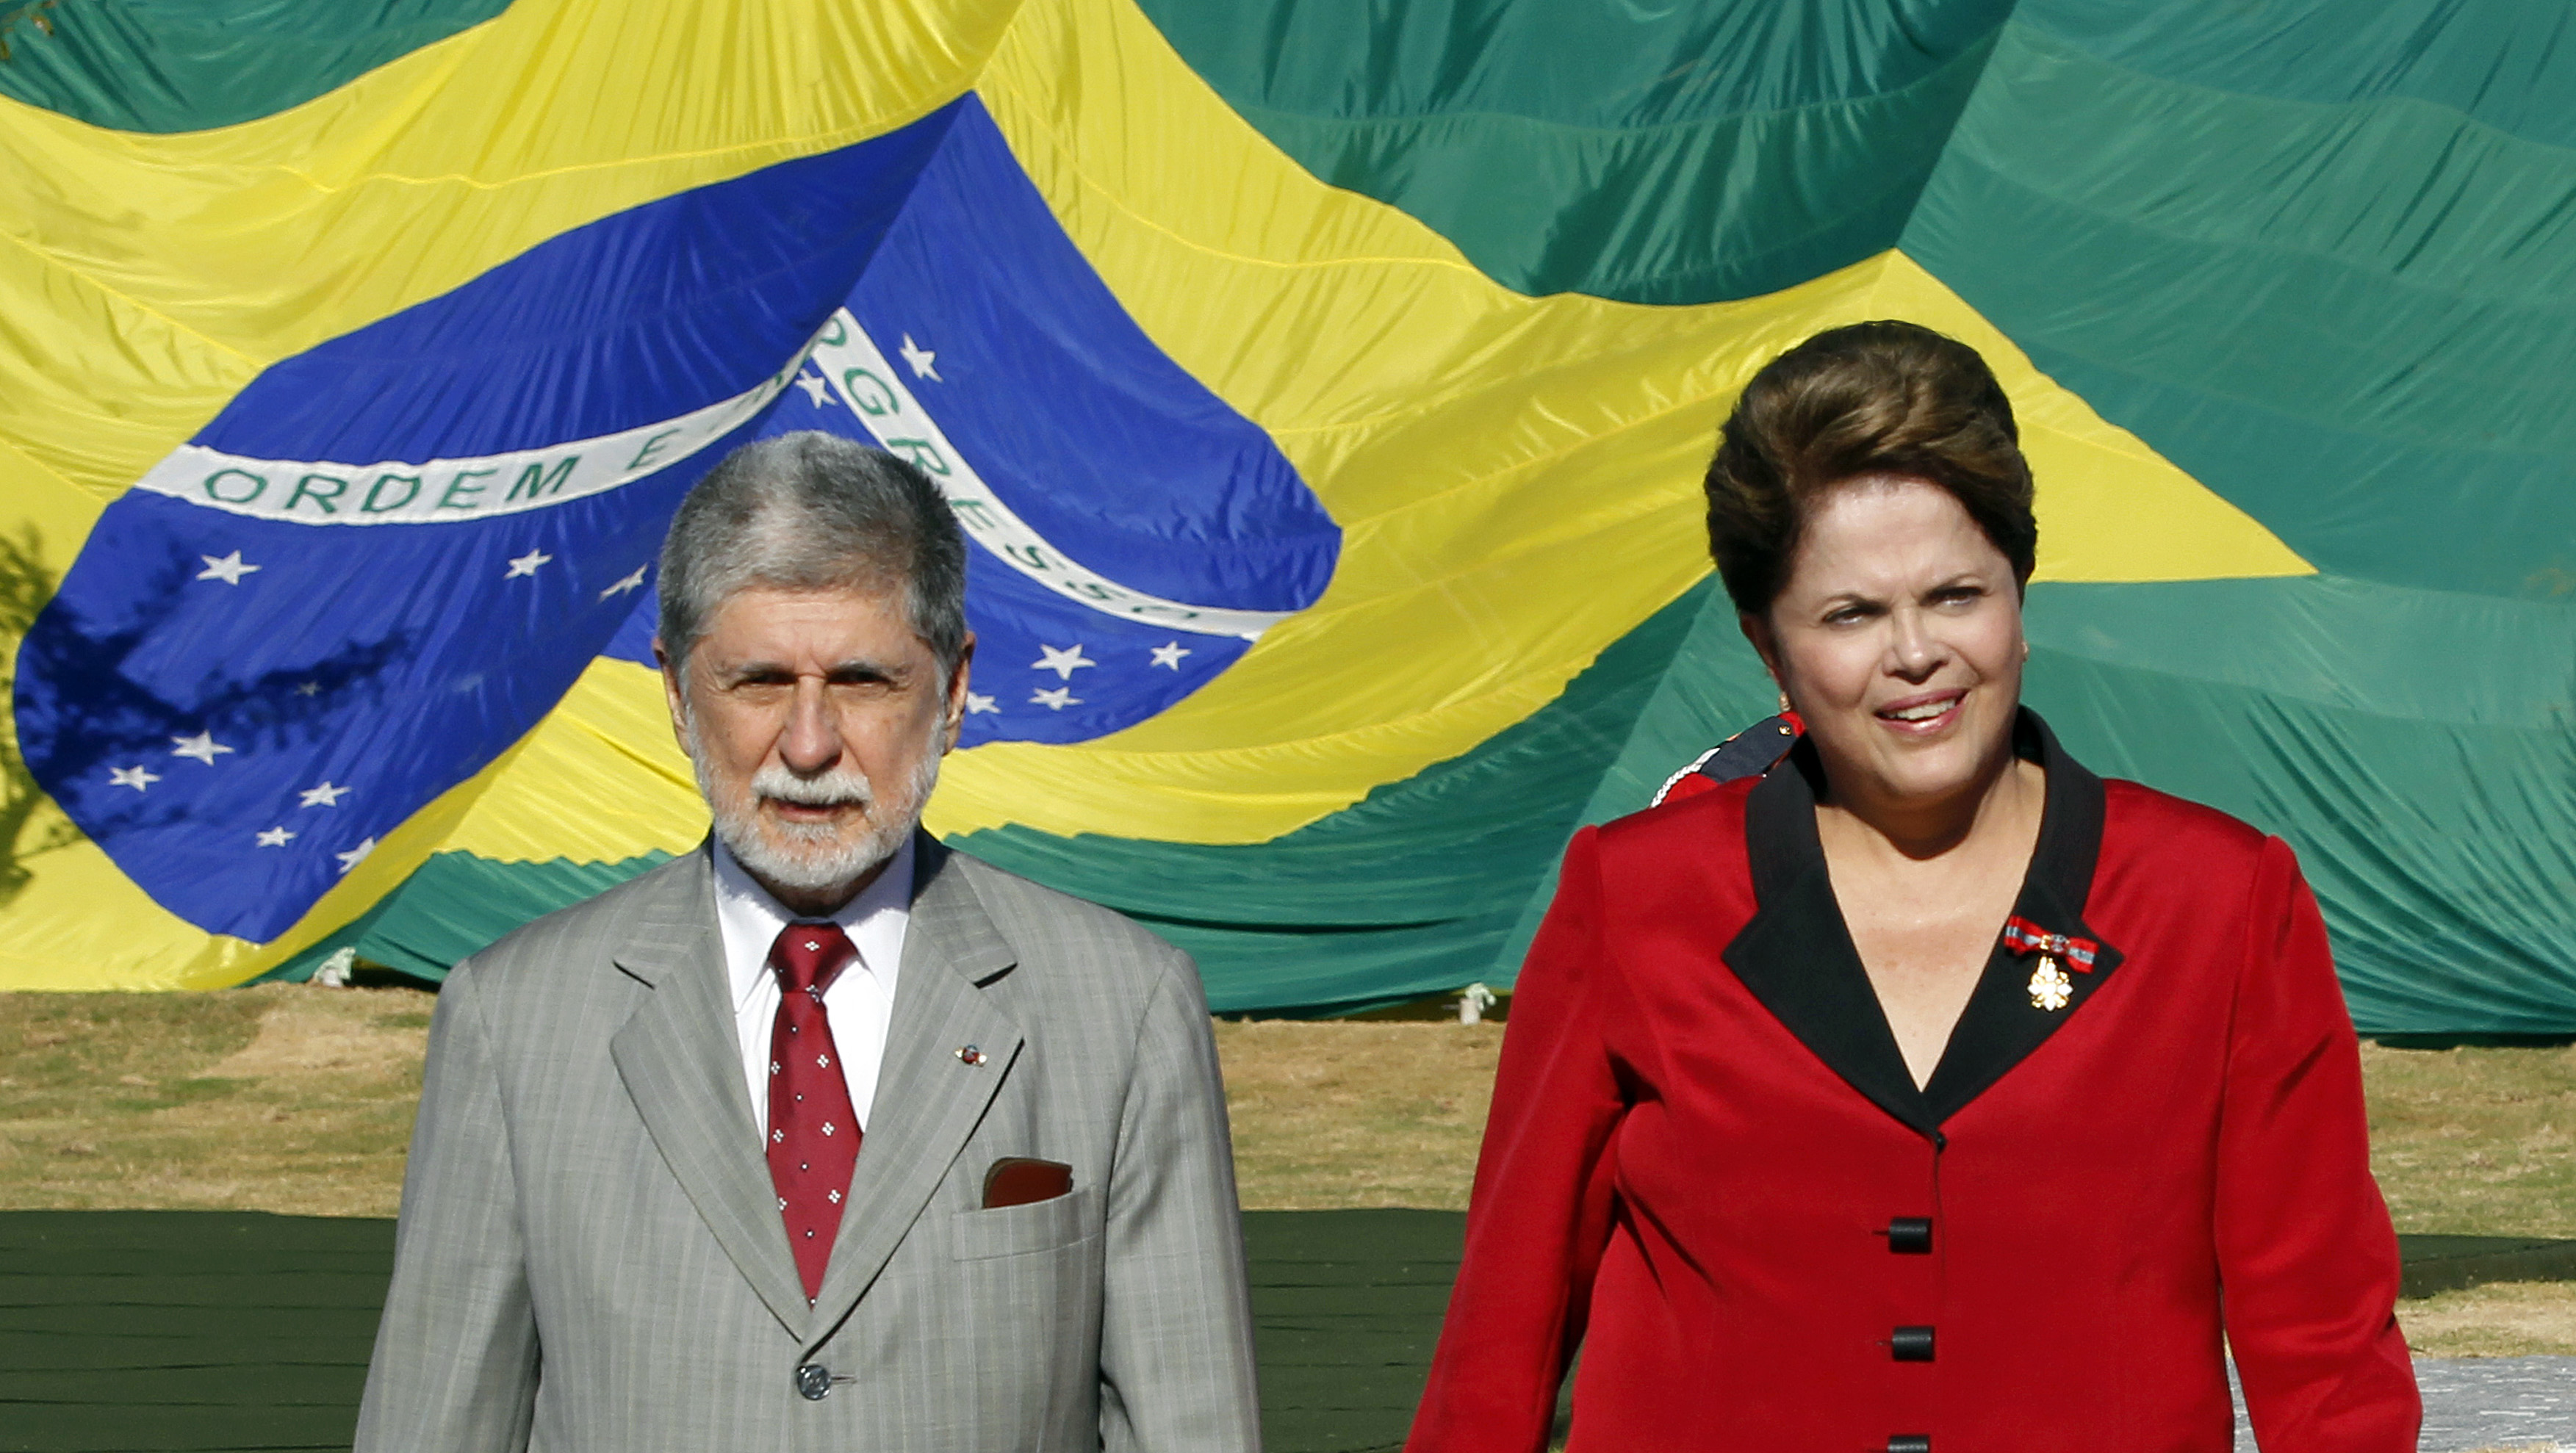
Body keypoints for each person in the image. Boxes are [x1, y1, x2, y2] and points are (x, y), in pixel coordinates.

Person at [1406, 322, 2420, 1452]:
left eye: (1954, 595)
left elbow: (2328, 1361)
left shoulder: (2218, 901)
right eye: (1850, 614)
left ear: (2018, 598)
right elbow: (1499, 1338)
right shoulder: (1634, 897)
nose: (1915, 653)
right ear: (1766, 647)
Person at [354, 432, 1261, 1452]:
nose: (809, 744)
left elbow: (1192, 1424)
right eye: (758, 681)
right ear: (676, 694)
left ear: (954, 691)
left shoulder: (1124, 1004)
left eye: (864, 680)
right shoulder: (512, 1018)